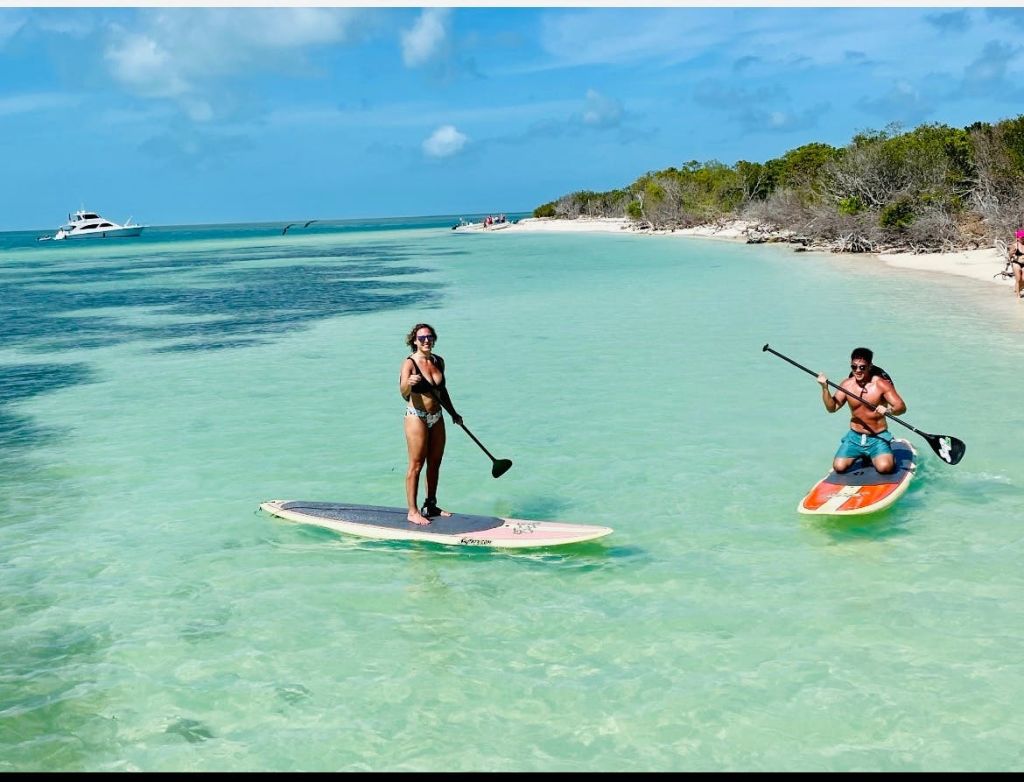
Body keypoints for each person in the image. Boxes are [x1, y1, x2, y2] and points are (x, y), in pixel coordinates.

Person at [399, 323, 463, 525]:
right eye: (421, 338)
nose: (426, 340)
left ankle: (431, 504)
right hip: (416, 416)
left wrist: (453, 412)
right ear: (414, 341)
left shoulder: (438, 361)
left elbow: (442, 392)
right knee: (417, 464)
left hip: (437, 416)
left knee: (435, 462)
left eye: (429, 336)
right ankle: (412, 511)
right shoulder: (409, 363)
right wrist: (409, 383)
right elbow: (403, 393)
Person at [816, 347, 907, 475]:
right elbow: (832, 408)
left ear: (870, 366)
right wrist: (825, 388)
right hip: (854, 437)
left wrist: (888, 410)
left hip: (877, 437)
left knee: (885, 468)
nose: (857, 371)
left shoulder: (881, 385)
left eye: (862, 367)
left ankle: (887, 455)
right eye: (854, 367)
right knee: (839, 467)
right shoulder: (847, 385)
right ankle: (863, 455)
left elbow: (901, 407)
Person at [1008, 229, 1024, 299]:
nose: (1023, 238)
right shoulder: (1015, 245)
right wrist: (1011, 254)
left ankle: (1018, 288)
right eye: (1022, 237)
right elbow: (1010, 255)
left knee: (1023, 279)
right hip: (1016, 263)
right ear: (1018, 238)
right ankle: (1018, 295)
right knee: (1018, 279)